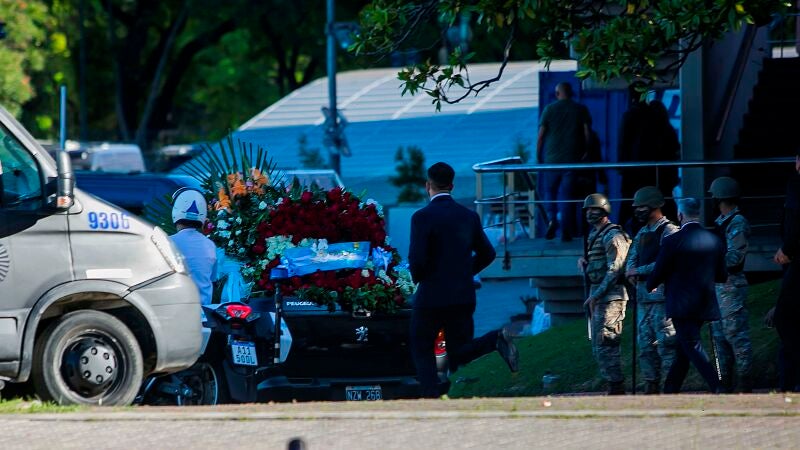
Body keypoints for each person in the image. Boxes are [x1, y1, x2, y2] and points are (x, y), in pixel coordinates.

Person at [408, 162, 519, 398]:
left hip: (431, 296)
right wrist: (464, 273)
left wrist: (419, 279)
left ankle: (430, 395)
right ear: (452, 185)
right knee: (459, 351)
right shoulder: (469, 216)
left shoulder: (422, 217)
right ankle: (494, 339)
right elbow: (488, 253)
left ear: (428, 185)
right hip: (462, 295)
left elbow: (417, 259)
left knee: (421, 346)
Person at [647, 198, 727, 394]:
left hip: (681, 304)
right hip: (704, 302)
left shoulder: (672, 241)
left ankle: (717, 385)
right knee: (683, 349)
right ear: (697, 214)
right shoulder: (714, 239)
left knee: (691, 344)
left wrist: (650, 285)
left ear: (680, 215)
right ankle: (670, 389)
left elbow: (660, 270)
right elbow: (722, 275)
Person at [624, 186, 679, 395]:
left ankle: (670, 388)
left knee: (666, 344)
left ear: (655, 206)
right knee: (645, 346)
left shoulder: (669, 231)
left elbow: (666, 262)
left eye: (642, 207)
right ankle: (650, 384)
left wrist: (638, 270)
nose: (638, 211)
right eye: (636, 207)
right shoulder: (642, 232)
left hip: (662, 299)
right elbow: (632, 257)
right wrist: (631, 271)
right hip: (643, 299)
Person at [578, 193, 631, 395]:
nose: (590, 213)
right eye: (588, 210)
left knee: (607, 343)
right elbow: (598, 261)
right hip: (599, 294)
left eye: (595, 209)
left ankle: (616, 387)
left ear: (604, 210)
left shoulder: (612, 235)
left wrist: (596, 295)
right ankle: (612, 384)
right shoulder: (595, 234)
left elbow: (615, 268)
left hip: (611, 297)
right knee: (598, 345)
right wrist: (585, 262)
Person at [708, 176, 754, 393]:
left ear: (720, 198)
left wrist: (709, 261)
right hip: (719, 286)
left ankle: (745, 383)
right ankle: (724, 383)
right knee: (719, 337)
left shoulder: (737, 222)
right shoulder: (722, 222)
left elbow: (735, 257)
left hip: (731, 286)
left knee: (736, 335)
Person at [537, 81, 593, 241]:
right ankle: (566, 229)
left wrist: (539, 155)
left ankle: (552, 219)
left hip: (551, 160)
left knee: (550, 192)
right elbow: (587, 133)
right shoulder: (580, 109)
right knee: (567, 195)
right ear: (571, 93)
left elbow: (541, 136)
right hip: (572, 160)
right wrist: (586, 152)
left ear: (557, 94)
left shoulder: (549, 109)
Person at [765, 148, 800, 392]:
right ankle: (787, 382)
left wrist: (787, 249)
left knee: (785, 318)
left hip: (797, 258)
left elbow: (795, 219)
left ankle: (790, 382)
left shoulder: (796, 184)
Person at [170, 187, 217, 305]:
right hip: (203, 311)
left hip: (175, 309)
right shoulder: (210, 245)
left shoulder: (168, 242)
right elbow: (213, 278)